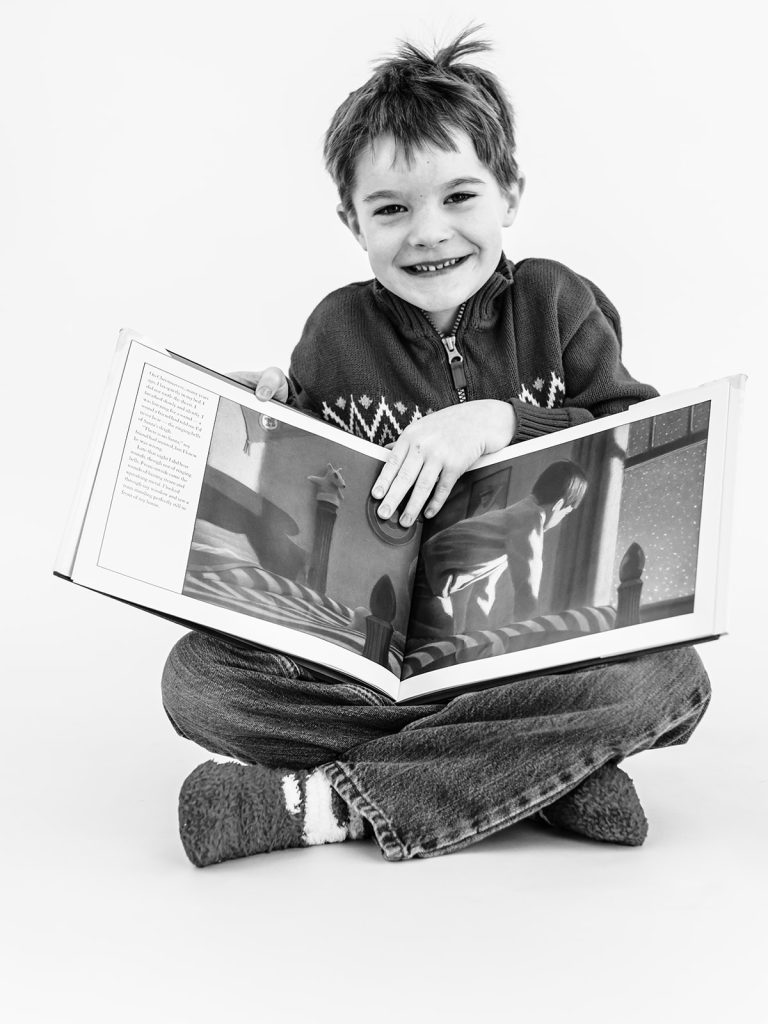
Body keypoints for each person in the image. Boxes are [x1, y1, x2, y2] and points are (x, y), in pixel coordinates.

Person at [162, 29, 711, 867]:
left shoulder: (560, 304)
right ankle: (544, 771)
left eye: (460, 197)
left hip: (532, 655)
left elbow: (632, 448)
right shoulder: (335, 330)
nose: (429, 232)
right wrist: (256, 421)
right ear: (353, 221)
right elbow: (306, 511)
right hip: (384, 664)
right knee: (197, 678)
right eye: (392, 209)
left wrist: (503, 421)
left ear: (510, 194)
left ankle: (327, 805)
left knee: (671, 677)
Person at [413, 459, 589, 636]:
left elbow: (484, 590)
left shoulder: (513, 519)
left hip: (430, 571)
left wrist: (475, 635)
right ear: (559, 505)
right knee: (440, 633)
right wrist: (526, 633)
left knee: (445, 630)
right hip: (428, 573)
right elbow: (527, 587)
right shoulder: (530, 520)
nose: (561, 519)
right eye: (566, 514)